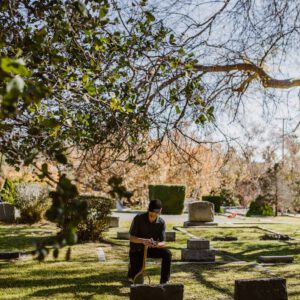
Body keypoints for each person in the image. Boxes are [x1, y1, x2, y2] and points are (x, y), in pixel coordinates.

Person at [128, 199, 172, 284]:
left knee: (167, 254)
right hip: (137, 249)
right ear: (148, 209)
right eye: (151, 211)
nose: (153, 214)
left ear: (160, 211)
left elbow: (163, 242)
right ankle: (132, 270)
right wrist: (143, 241)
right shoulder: (138, 218)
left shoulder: (161, 222)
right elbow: (131, 237)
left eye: (156, 212)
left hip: (151, 249)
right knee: (136, 281)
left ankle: (164, 281)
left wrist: (156, 244)